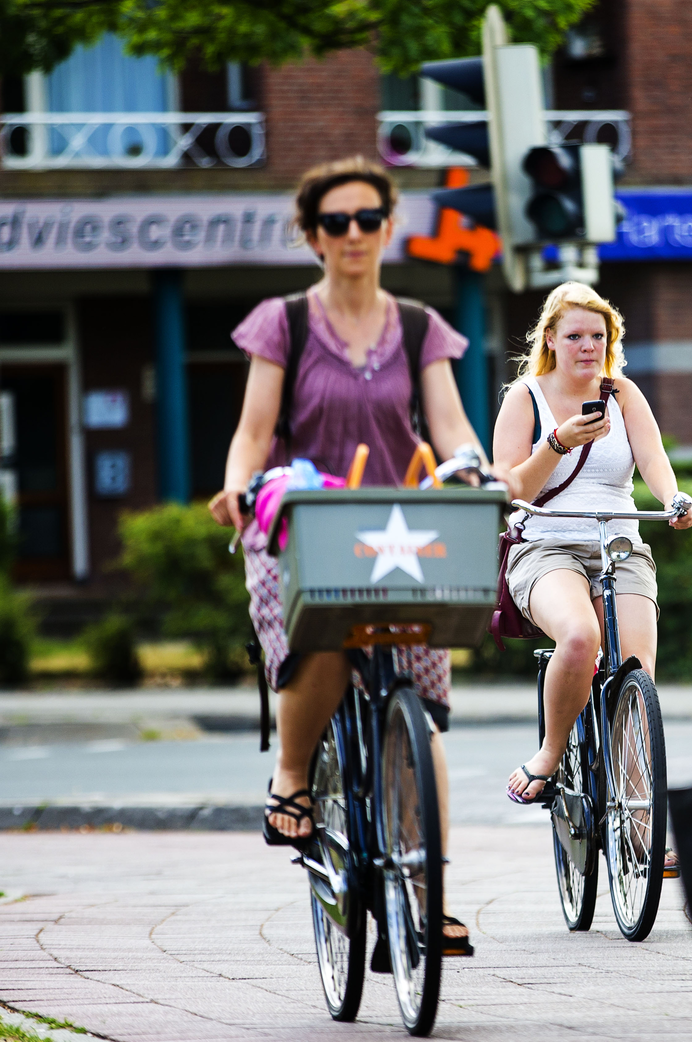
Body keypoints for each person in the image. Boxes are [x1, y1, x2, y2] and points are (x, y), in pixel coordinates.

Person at [209, 155, 490, 955]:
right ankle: (293, 777)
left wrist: (474, 465)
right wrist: (237, 486)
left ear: (389, 227)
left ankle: (429, 893)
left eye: (369, 218)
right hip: (303, 523)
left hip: (401, 528)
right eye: (337, 222)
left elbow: (451, 424)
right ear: (313, 236)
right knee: (323, 635)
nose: (355, 233)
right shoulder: (283, 323)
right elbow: (252, 433)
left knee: (423, 715)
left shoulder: (417, 327)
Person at [496, 282, 692, 809]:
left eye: (597, 335)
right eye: (575, 335)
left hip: (619, 543)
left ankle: (641, 825)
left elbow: (653, 461)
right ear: (552, 341)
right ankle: (550, 752)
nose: (588, 346)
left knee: (636, 677)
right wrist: (558, 442)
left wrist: (675, 498)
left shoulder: (623, 392)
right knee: (582, 638)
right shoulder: (525, 398)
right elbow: (510, 488)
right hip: (546, 546)